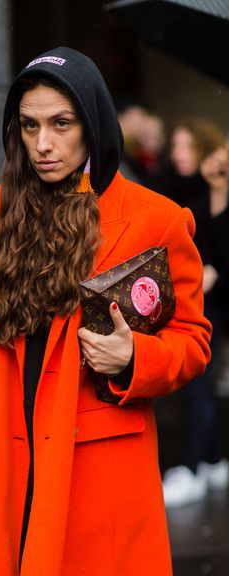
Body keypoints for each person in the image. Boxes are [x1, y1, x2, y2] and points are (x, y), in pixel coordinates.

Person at [0, 47, 211, 575]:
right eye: (29, 126)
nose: (43, 144)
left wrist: (133, 357)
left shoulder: (154, 219)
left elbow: (192, 339)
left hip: (91, 463)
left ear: (92, 122)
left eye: (61, 123)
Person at [158, 117, 229, 507]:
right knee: (195, 383)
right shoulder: (168, 186)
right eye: (177, 147)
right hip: (180, 298)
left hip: (210, 303)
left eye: (188, 147)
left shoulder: (214, 189)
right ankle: (213, 460)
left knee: (196, 383)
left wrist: (218, 186)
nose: (180, 154)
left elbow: (220, 251)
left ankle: (191, 468)